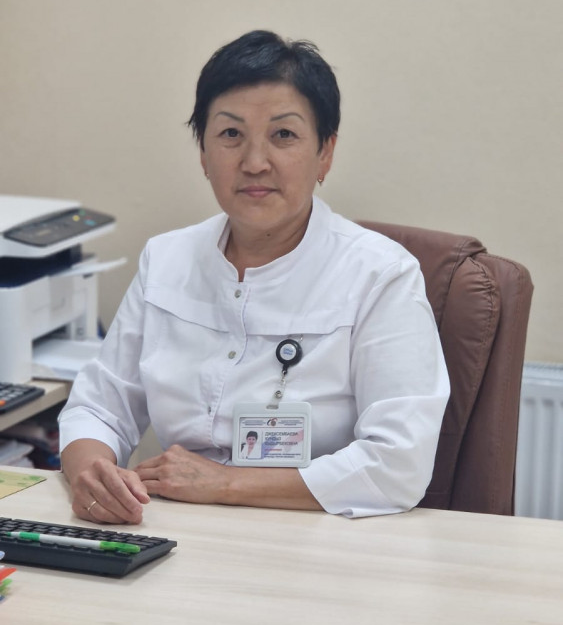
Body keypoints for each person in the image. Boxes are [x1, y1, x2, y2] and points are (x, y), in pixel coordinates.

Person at [59, 30, 449, 523]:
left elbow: (399, 464)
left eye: (284, 135)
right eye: (230, 135)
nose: (255, 162)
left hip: (319, 537)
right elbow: (98, 407)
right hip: (176, 527)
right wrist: (93, 474)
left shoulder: (381, 275)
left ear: (325, 152)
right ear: (203, 154)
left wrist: (226, 484)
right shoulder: (167, 260)